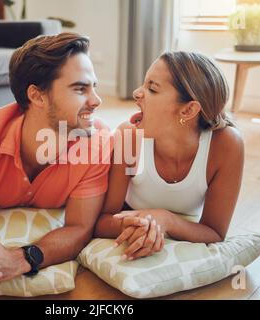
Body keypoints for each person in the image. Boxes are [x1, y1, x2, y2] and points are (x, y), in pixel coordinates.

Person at [0, 33, 111, 285]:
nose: (96, 100)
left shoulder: (98, 140)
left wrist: (20, 258)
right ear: (37, 96)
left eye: (95, 86)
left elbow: (80, 228)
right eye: (80, 88)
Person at [94, 51, 244, 261]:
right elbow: (102, 220)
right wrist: (144, 225)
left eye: (152, 89)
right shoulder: (128, 136)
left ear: (188, 110)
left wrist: (166, 220)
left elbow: (215, 232)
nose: (137, 93)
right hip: (132, 217)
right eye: (143, 84)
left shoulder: (226, 145)